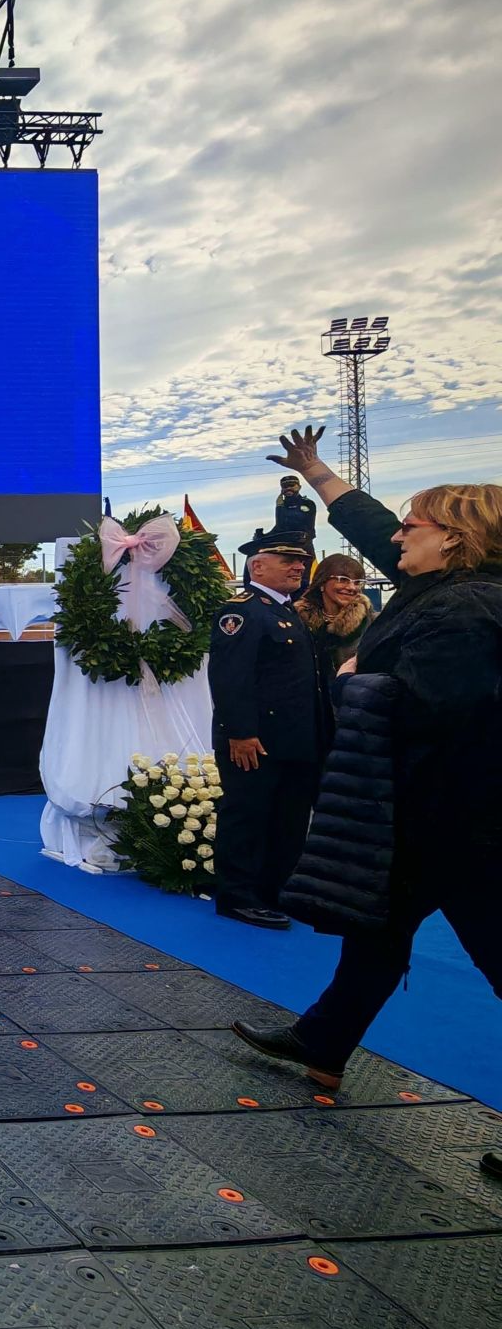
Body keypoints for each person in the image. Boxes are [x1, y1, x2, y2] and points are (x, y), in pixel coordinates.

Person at [233, 428, 502, 1096]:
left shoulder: (464, 610)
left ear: (456, 538)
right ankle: (323, 1041)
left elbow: (427, 709)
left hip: (465, 822)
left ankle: (322, 1039)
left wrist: (354, 678)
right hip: (429, 810)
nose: (401, 532)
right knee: (379, 926)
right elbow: (374, 523)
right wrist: (318, 473)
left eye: (417, 523)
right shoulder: (447, 586)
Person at [208, 523, 329, 929]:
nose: (299, 566)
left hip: (295, 739)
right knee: (248, 815)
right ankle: (238, 896)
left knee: (290, 820)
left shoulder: (286, 612)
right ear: (257, 567)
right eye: (289, 560)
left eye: (301, 561)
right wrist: (239, 732)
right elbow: (230, 677)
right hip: (255, 740)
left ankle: (277, 891)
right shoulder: (242, 611)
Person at [298, 553, 377, 672]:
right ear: (322, 583)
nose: (352, 587)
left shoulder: (373, 622)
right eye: (343, 580)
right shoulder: (298, 620)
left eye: (357, 582)